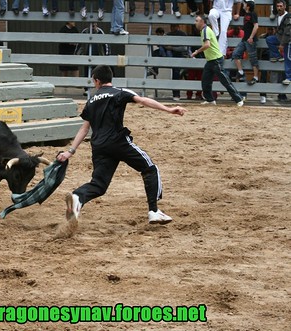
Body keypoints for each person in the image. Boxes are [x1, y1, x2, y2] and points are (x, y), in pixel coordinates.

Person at [57, 65, 186, 225]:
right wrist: (168, 109)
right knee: (150, 169)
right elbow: (143, 100)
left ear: (96, 81)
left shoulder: (91, 101)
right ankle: (153, 211)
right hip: (118, 141)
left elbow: (84, 129)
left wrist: (70, 152)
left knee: (99, 184)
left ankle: (78, 197)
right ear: (110, 79)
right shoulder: (119, 92)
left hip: (99, 146)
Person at [191, 15, 244, 106]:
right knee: (205, 81)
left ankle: (239, 99)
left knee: (225, 81)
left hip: (216, 60)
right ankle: (210, 100)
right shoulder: (204, 30)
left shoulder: (205, 31)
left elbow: (207, 45)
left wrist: (196, 51)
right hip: (211, 60)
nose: (195, 23)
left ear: (202, 22)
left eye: (197, 21)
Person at [232, 0, 259, 86]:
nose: (243, 4)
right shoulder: (246, 14)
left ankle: (255, 77)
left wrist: (251, 37)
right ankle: (240, 71)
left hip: (250, 40)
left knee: (253, 59)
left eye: (245, 4)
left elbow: (256, 26)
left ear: (248, 6)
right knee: (235, 54)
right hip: (244, 39)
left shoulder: (253, 14)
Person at [265, 0, 291, 85]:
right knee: (269, 39)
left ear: (285, 6)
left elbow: (287, 32)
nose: (279, 8)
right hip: (279, 37)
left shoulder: (288, 17)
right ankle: (277, 56)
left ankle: (288, 77)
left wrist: (282, 44)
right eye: (278, 6)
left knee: (288, 60)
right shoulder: (278, 16)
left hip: (287, 40)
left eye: (281, 6)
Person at [165, 24, 188, 100]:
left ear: (178, 27)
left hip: (181, 57)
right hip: (172, 57)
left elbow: (184, 48)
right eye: (171, 26)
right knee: (176, 74)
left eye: (174, 26)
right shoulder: (168, 35)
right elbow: (165, 46)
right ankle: (176, 94)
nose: (172, 28)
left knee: (179, 74)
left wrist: (172, 48)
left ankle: (178, 94)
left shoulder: (182, 34)